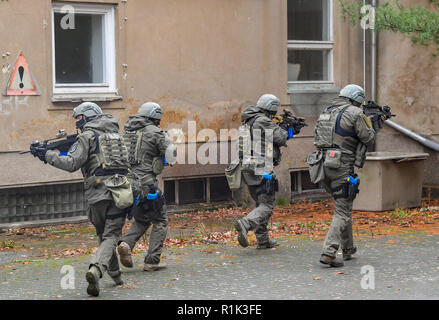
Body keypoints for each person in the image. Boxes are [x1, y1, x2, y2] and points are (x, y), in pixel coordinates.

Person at [32, 102, 131, 296]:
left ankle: (97, 269)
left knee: (106, 235)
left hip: (97, 192)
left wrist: (48, 155)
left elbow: (71, 163)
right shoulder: (117, 135)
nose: (77, 122)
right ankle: (115, 275)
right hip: (121, 191)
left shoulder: (86, 137)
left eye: (78, 118)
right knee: (109, 236)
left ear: (88, 116)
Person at [310, 84, 376, 267]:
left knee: (343, 206)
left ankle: (348, 248)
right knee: (342, 210)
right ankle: (329, 252)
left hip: (323, 165)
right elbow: (368, 138)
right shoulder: (355, 113)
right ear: (357, 99)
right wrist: (373, 125)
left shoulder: (326, 111)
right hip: (342, 166)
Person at [117, 102, 176, 272]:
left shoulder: (127, 131)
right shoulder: (156, 133)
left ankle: (126, 244)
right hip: (147, 184)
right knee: (160, 220)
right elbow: (171, 156)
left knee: (142, 219)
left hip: (129, 185)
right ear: (156, 116)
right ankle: (152, 261)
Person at [232, 94, 295, 249]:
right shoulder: (263, 120)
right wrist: (289, 129)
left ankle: (263, 240)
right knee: (267, 205)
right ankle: (245, 223)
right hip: (261, 168)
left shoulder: (248, 121)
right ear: (271, 108)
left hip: (248, 167)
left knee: (261, 203)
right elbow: (280, 138)